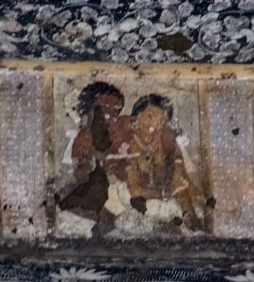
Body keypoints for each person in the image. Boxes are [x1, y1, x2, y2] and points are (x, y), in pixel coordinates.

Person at [55, 81, 133, 238]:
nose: (110, 115)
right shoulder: (83, 138)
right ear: (88, 110)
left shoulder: (118, 134)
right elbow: (82, 174)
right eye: (104, 109)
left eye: (115, 111)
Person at [120, 93, 204, 232]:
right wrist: (164, 194)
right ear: (138, 116)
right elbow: (134, 189)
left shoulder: (167, 140)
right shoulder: (127, 144)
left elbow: (179, 180)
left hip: (169, 195)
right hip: (137, 198)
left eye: (161, 121)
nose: (154, 124)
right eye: (150, 116)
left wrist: (189, 214)